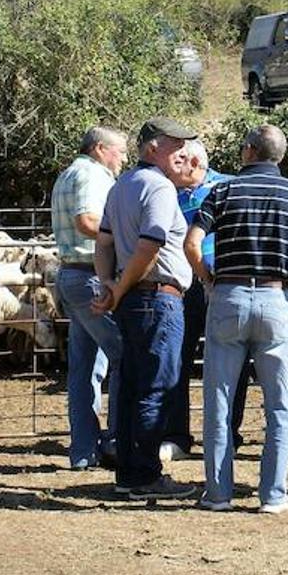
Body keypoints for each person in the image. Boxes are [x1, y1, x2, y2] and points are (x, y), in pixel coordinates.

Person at [185, 124, 288, 513]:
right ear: (279, 156)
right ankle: (273, 494)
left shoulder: (222, 191)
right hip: (275, 298)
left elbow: (191, 243)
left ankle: (218, 493)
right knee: (280, 403)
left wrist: (207, 277)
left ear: (250, 151)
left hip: (228, 296)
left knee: (218, 399)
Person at [91, 117, 198, 501]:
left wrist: (108, 284)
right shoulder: (159, 187)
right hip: (157, 297)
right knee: (156, 387)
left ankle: (128, 472)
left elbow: (103, 243)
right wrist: (117, 286)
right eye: (175, 145)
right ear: (153, 148)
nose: (183, 153)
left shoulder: (121, 186)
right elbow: (150, 245)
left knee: (132, 385)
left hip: (132, 301)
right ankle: (146, 476)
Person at [159, 140, 252, 463]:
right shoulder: (166, 192)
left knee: (232, 360)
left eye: (179, 158)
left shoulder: (228, 186)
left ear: (195, 161)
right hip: (183, 284)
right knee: (176, 357)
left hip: (224, 281)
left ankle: (228, 433)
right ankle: (176, 435)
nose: (171, 164)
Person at [49, 126, 128, 471]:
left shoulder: (67, 174)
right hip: (93, 275)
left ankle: (84, 450)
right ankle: (119, 442)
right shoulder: (93, 175)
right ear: (100, 149)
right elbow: (86, 221)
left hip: (71, 274)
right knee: (126, 355)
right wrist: (127, 237)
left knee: (85, 368)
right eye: (120, 152)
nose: (124, 159)